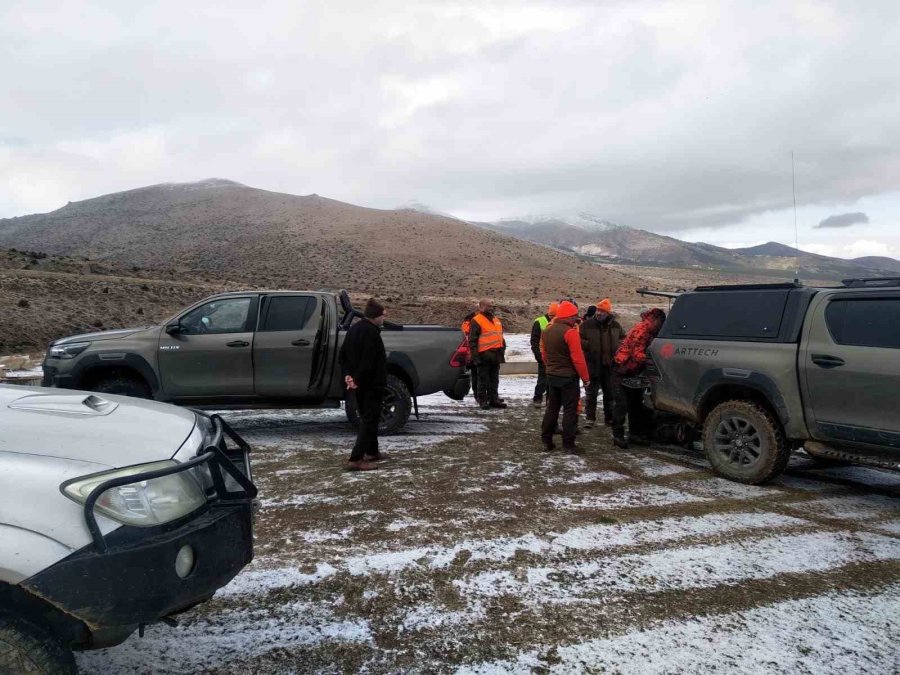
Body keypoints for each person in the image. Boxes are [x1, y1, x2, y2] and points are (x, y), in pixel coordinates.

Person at [339, 298, 388, 470]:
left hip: (359, 384)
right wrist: (356, 379)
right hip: (371, 384)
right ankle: (356, 459)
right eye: (383, 315)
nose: (384, 318)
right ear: (376, 316)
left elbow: (343, 355)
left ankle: (372, 452)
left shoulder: (354, 329)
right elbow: (368, 361)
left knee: (371, 417)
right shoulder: (371, 333)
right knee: (369, 419)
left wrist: (349, 377)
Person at [611, 307, 666, 448]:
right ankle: (617, 435)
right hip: (622, 369)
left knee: (636, 404)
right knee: (622, 404)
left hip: (633, 371)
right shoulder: (641, 331)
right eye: (659, 323)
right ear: (654, 319)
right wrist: (654, 360)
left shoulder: (650, 332)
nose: (660, 326)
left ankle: (634, 434)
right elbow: (637, 354)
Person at [540, 300, 590, 452]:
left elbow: (544, 354)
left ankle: (546, 440)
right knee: (570, 410)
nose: (576, 319)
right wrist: (586, 378)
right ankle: (568, 444)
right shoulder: (570, 332)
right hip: (568, 378)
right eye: (574, 316)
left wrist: (550, 367)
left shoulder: (547, 330)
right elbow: (578, 358)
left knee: (552, 408)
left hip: (552, 375)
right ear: (568, 316)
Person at [580, 298, 625, 429]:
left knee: (610, 394)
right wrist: (588, 346)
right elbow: (578, 339)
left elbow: (624, 338)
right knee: (591, 394)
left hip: (610, 366)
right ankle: (590, 418)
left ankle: (609, 418)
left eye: (602, 311)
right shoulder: (586, 325)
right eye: (598, 310)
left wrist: (619, 347)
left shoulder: (616, 326)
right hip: (593, 365)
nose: (599, 313)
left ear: (608, 313)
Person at [467, 299, 507, 409]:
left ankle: (494, 400)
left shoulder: (496, 320)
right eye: (488, 306)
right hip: (483, 356)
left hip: (496, 355)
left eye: (491, 306)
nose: (491, 307)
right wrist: (476, 358)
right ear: (481, 307)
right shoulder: (477, 320)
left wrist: (502, 350)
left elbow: (500, 337)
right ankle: (482, 401)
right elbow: (472, 341)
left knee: (494, 380)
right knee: (482, 380)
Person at [530, 302, 558, 408]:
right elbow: (534, 341)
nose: (553, 318)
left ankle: (550, 400)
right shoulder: (539, 322)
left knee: (552, 380)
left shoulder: (558, 322)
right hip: (543, 356)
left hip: (554, 357)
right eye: (552, 316)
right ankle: (538, 398)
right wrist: (538, 356)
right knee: (542, 379)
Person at [461, 309, 479, 402]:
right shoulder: (471, 323)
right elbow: (468, 341)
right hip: (473, 354)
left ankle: (479, 395)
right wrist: (469, 356)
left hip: (473, 353)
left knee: (476, 376)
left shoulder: (467, 322)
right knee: (476, 376)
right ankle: (478, 396)